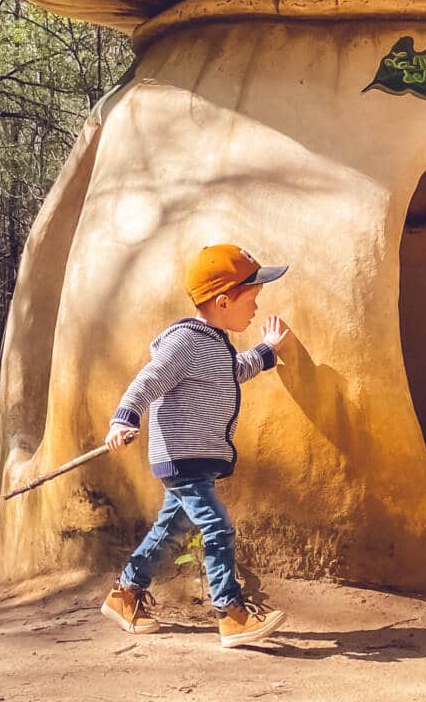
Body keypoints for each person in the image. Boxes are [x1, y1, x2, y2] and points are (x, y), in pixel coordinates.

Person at [100, 244, 293, 648]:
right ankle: (231, 612)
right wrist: (124, 417)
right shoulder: (186, 342)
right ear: (224, 301)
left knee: (171, 528)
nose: (256, 309)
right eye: (252, 300)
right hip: (182, 455)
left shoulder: (214, 344)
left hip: (197, 457)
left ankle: (126, 594)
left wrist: (267, 351)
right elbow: (149, 380)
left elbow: (234, 371)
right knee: (217, 526)